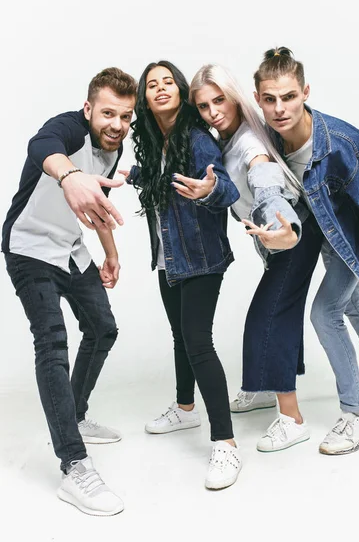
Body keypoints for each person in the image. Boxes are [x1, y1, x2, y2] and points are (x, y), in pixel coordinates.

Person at [2, 67, 137, 515]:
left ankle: (75, 413)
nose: (116, 124)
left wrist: (110, 252)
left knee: (103, 330)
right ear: (88, 109)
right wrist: (68, 175)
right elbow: (40, 146)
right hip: (29, 248)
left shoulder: (113, 149)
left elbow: (96, 204)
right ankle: (74, 465)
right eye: (107, 113)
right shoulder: (67, 128)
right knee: (53, 345)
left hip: (72, 249)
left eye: (125, 116)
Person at [251, 46, 359, 455]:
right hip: (312, 234)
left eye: (289, 97)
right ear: (258, 99)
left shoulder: (344, 142)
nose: (280, 108)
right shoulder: (267, 142)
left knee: (325, 310)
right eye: (269, 99)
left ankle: (356, 416)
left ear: (305, 92)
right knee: (346, 301)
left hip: (346, 241)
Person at [189, 64, 323, 449]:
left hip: (291, 231)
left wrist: (281, 224)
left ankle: (292, 419)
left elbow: (263, 177)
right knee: (281, 311)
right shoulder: (226, 138)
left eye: (220, 100)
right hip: (274, 238)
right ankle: (268, 387)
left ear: (235, 97)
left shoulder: (248, 139)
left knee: (269, 317)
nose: (214, 111)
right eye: (203, 106)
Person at [123, 60, 242, 489]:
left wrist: (210, 190)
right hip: (168, 258)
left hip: (201, 258)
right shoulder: (157, 140)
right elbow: (162, 183)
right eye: (151, 85)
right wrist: (133, 175)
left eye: (167, 81)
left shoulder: (196, 138)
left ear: (181, 91)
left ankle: (226, 444)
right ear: (145, 98)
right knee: (180, 336)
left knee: (197, 342)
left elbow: (223, 186)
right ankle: (185, 409)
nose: (160, 88)